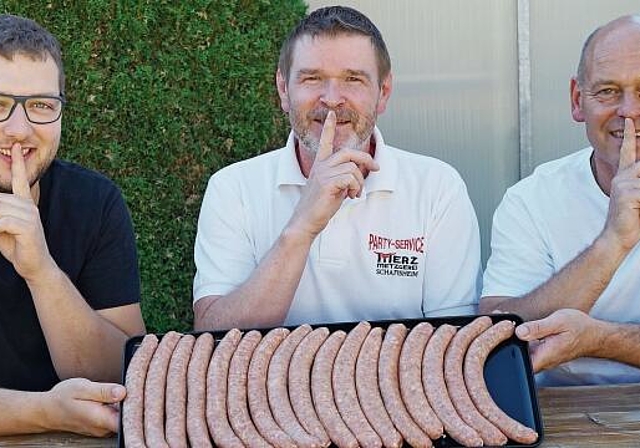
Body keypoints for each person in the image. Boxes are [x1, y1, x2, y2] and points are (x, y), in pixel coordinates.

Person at [193, 6, 481, 331]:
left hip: (395, 383)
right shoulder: (233, 188)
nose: (331, 99)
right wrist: (302, 226)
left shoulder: (437, 188)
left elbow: (454, 341)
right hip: (271, 384)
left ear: (383, 93)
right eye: (312, 78)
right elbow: (212, 335)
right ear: (284, 90)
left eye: (352, 79)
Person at [0, 15, 145, 435]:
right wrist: (44, 410)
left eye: (42, 105)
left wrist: (41, 271)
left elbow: (124, 372)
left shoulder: (94, 202)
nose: (19, 129)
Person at [480, 15, 640, 386]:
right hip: (562, 416)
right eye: (608, 91)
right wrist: (612, 243)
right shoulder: (531, 200)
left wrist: (600, 339)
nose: (629, 110)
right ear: (576, 100)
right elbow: (495, 336)